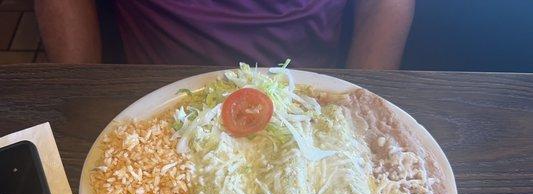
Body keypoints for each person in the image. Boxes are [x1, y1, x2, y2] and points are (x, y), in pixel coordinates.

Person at [35, 0, 414, 69]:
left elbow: (384, 3)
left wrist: (359, 101)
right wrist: (80, 87)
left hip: (307, 90)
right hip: (155, 95)